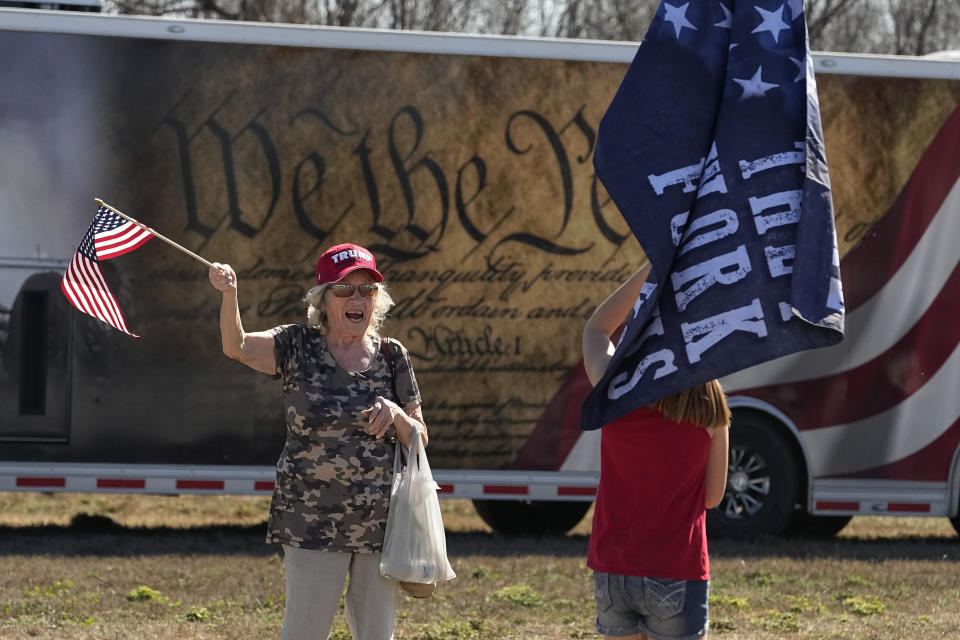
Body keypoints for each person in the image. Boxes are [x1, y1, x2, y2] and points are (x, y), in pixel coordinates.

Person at [208, 242, 427, 640]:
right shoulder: (297, 346)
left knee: (378, 634)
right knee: (304, 631)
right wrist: (229, 295)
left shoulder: (393, 356)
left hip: (380, 524)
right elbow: (235, 347)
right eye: (345, 289)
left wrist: (396, 416)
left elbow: (420, 440)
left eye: (367, 290)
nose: (357, 298)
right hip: (311, 523)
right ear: (323, 300)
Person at [581, 263, 730, 640]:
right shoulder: (710, 406)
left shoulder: (615, 391)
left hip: (614, 566)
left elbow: (596, 329)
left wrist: (656, 266)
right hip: (676, 568)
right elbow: (712, 498)